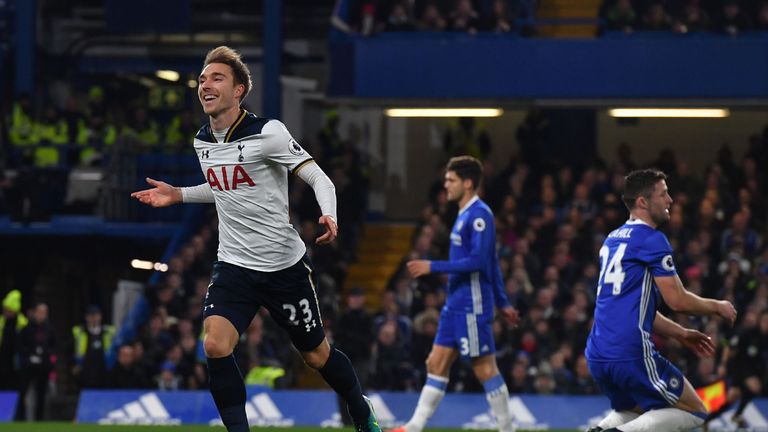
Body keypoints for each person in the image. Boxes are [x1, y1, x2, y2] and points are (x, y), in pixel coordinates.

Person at [130, 46, 380, 432]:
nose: (205, 85)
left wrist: (329, 213)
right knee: (214, 344)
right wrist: (179, 193)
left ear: (239, 90)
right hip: (234, 265)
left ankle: (360, 410)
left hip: (283, 267)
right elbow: (225, 187)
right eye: (202, 79)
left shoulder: (268, 132)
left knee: (316, 356)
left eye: (217, 78)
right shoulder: (202, 141)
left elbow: (317, 176)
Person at [585, 169, 738, 432]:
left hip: (598, 352)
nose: (670, 200)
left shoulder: (611, 239)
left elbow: (638, 309)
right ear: (643, 202)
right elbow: (677, 300)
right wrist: (717, 306)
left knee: (635, 411)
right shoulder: (651, 239)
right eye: (663, 193)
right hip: (630, 351)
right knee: (696, 411)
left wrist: (680, 333)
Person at [393, 155, 520, 432]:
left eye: (451, 180)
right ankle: (414, 426)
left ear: (468, 183)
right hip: (455, 304)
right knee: (435, 362)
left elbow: (478, 261)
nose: (446, 185)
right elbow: (492, 262)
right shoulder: (464, 214)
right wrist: (504, 302)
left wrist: (432, 266)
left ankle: (507, 428)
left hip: (472, 304)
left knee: (485, 368)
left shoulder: (480, 216)